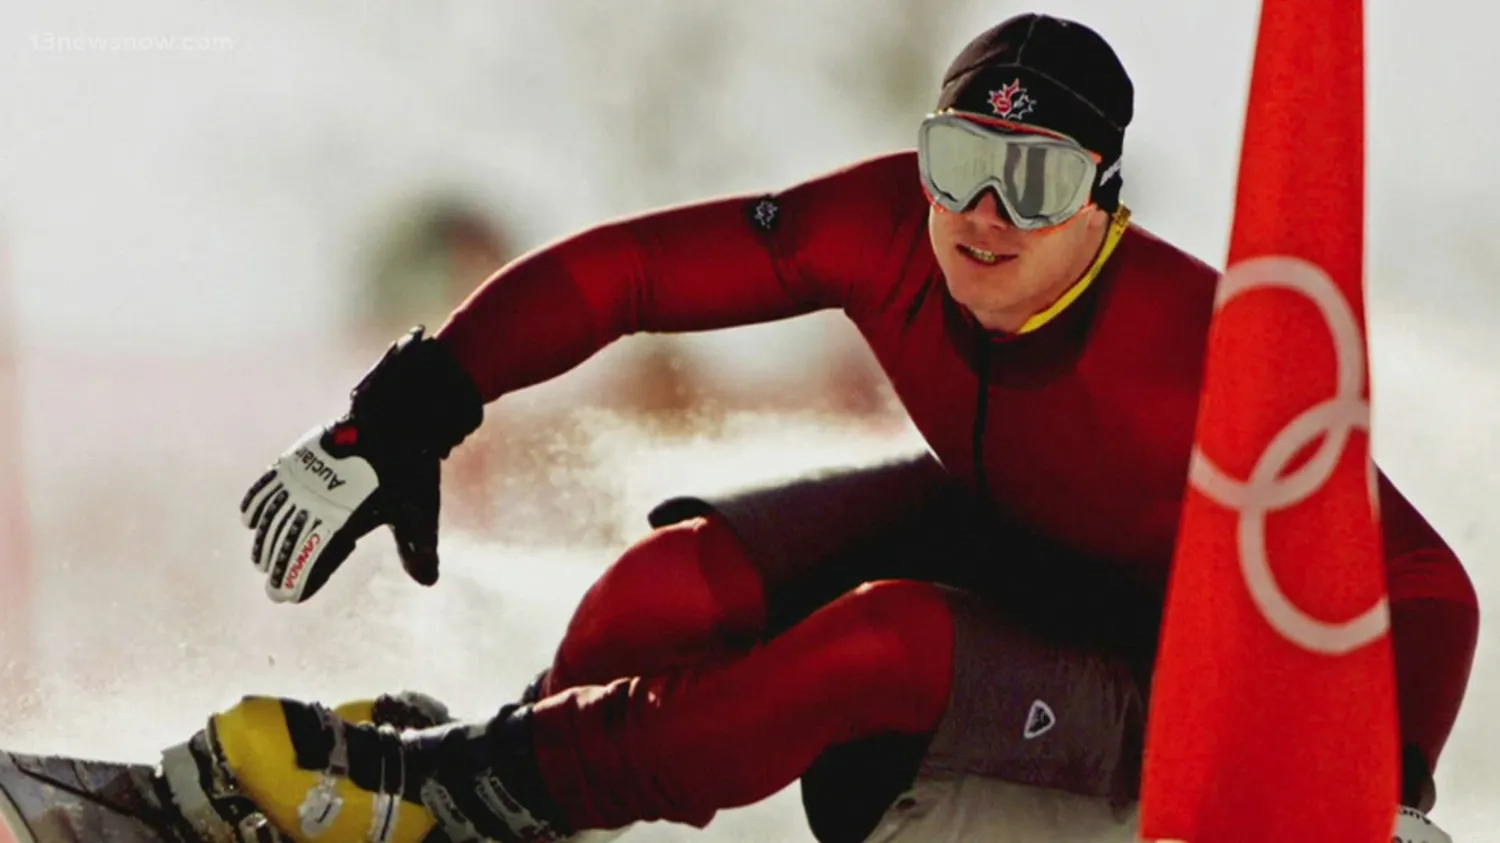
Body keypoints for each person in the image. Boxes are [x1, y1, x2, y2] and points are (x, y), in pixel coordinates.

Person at [185, 13, 1476, 843]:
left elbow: (1425, 577)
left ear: (1103, 200)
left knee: (878, 639)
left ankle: (484, 786)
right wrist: (410, 409)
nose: (984, 214)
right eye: (956, 159)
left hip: (1156, 663)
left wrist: (1390, 789)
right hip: (996, 521)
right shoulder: (881, 224)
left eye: (1036, 180)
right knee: (675, 578)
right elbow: (626, 275)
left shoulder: (1201, 348)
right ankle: (493, 770)